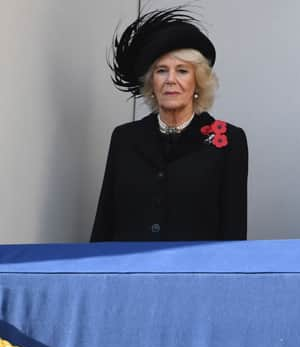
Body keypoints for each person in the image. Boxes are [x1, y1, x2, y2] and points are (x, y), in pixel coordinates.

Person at [91, 8, 248, 242]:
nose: (170, 80)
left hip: (195, 273)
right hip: (128, 270)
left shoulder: (228, 141)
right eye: (161, 71)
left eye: (182, 71)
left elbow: (233, 230)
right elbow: (105, 220)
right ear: (151, 83)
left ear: (198, 83)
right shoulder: (125, 138)